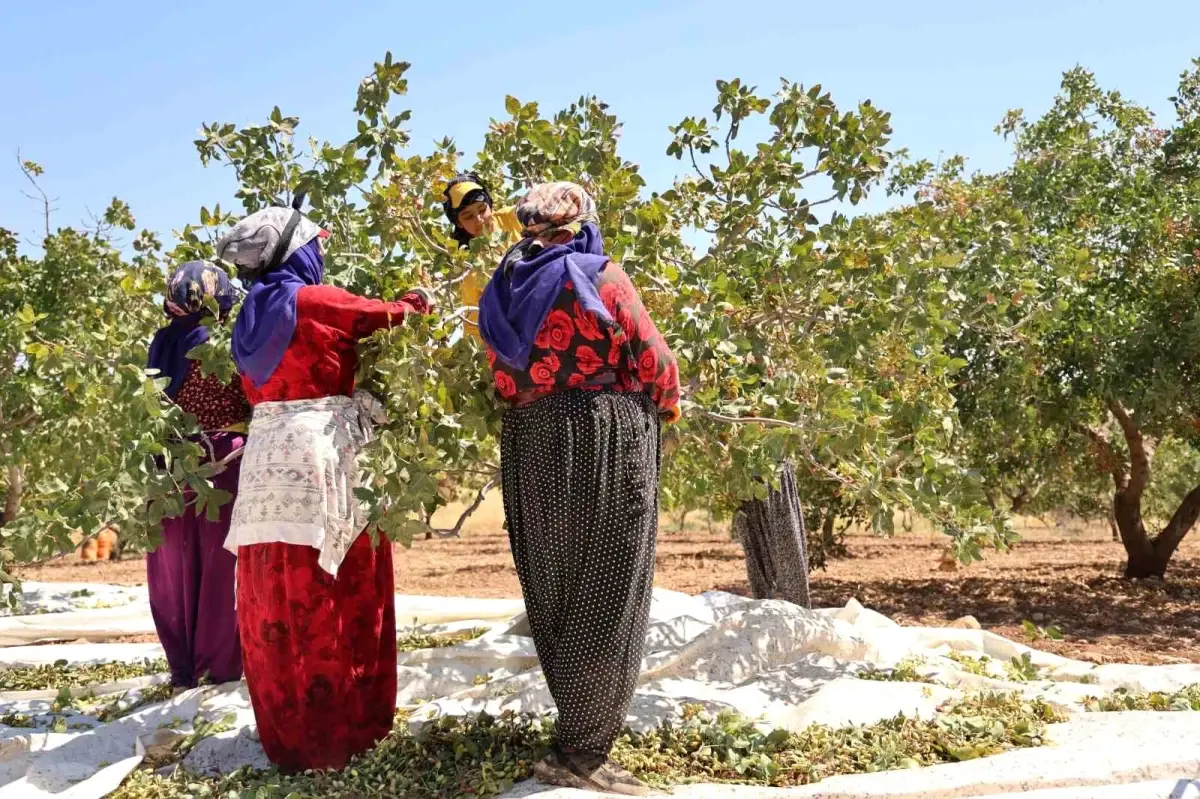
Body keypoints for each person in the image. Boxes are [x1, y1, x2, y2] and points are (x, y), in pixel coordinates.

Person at [478, 182, 681, 795]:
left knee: (556, 585)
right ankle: (581, 751)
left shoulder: (501, 289)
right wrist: (665, 411)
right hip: (603, 436)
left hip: (530, 441)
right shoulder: (598, 275)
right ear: (581, 224)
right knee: (611, 585)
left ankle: (577, 724)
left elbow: (499, 374)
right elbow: (655, 360)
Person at [217, 202, 433, 773]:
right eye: (314, 244)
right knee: (336, 584)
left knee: (276, 587)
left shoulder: (248, 317)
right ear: (295, 252)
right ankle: (345, 732)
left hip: (265, 464)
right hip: (321, 459)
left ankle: (290, 735)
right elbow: (397, 316)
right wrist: (417, 297)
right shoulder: (313, 301)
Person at [145, 261, 248, 691]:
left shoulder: (162, 343)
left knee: (175, 567)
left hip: (170, 466)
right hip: (223, 462)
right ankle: (218, 667)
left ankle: (184, 668)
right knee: (222, 565)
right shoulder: (225, 341)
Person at [443, 173, 522, 343]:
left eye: (482, 210)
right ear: (459, 223)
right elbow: (473, 323)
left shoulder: (514, 217)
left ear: (490, 206)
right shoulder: (467, 264)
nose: (479, 220)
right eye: (468, 216)